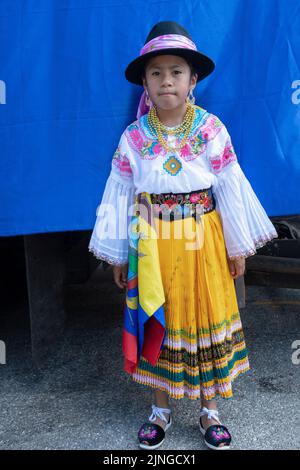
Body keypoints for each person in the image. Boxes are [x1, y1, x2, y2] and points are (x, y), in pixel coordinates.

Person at [89, 21, 278, 450]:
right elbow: (120, 194)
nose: (166, 80)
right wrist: (120, 253)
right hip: (152, 245)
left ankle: (210, 411)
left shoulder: (210, 129)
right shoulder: (134, 138)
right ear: (145, 82)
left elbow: (230, 186)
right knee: (160, 320)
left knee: (205, 315)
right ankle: (160, 409)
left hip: (204, 241)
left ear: (193, 80)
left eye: (176, 71)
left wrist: (238, 246)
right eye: (156, 73)